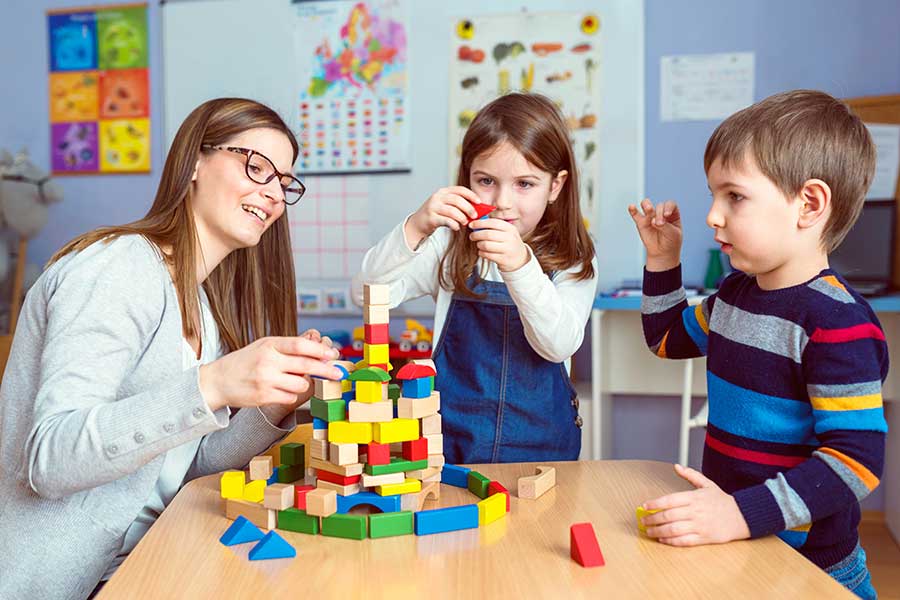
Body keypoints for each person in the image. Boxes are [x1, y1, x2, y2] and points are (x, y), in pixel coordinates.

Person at [0, 98, 343, 599]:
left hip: (148, 556)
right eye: (256, 167)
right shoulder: (116, 268)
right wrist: (216, 382)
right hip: (62, 583)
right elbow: (50, 459)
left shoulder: (202, 305)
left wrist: (273, 402)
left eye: (283, 182)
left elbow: (184, 470)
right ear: (195, 163)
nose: (271, 194)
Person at [630, 90, 886, 599]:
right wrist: (662, 261)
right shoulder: (734, 295)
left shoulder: (836, 322)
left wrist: (741, 512)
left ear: (808, 204)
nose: (712, 216)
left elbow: (855, 460)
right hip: (740, 544)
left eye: (734, 196)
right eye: (712, 195)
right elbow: (666, 339)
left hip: (812, 568)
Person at [352, 93, 597, 464]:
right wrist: (415, 227)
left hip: (544, 455)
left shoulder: (574, 257)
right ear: (467, 176)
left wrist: (519, 265)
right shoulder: (449, 245)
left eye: (525, 184)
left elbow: (558, 345)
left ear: (556, 186)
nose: (502, 201)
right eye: (486, 180)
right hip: (448, 449)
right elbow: (367, 294)